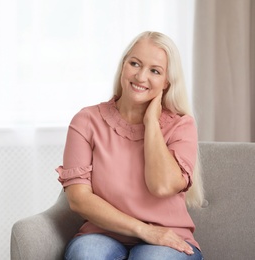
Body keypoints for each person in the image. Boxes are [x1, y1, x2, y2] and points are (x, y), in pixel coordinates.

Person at [56, 31, 204, 260]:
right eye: (135, 63)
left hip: (169, 238)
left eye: (155, 71)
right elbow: (78, 199)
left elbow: (162, 186)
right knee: (87, 255)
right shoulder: (86, 121)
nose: (141, 76)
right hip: (101, 234)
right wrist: (144, 230)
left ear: (167, 82)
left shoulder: (182, 125)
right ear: (123, 65)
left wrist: (151, 123)